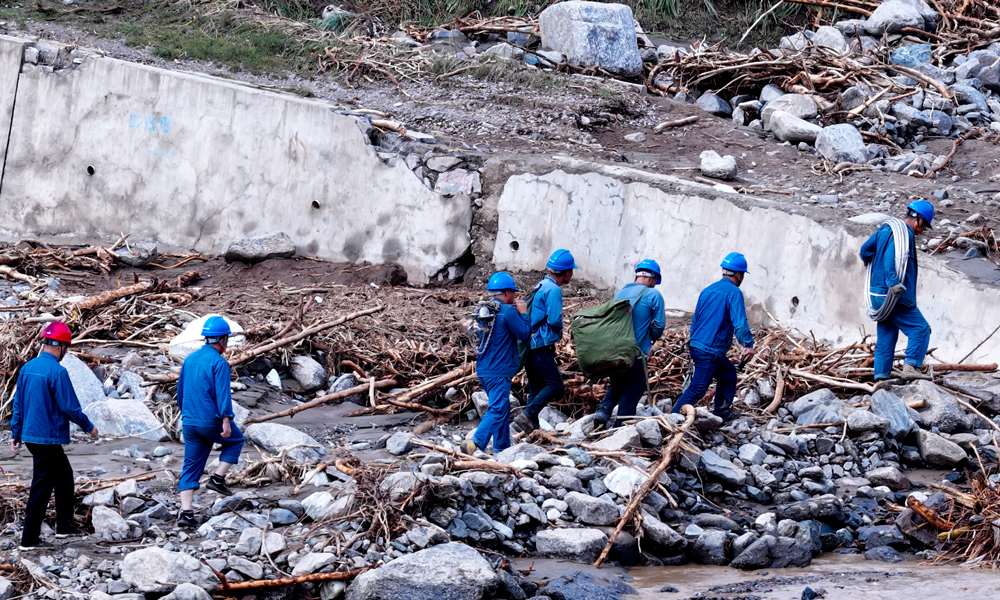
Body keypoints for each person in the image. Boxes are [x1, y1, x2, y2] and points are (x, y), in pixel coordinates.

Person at [10, 321, 99, 550]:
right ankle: (28, 540)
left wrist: (16, 432)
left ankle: (64, 527)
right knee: (41, 486)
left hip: (32, 436)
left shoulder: (28, 368)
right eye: (66, 347)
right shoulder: (58, 372)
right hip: (46, 437)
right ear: (61, 346)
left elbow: (18, 403)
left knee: (64, 476)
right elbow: (69, 407)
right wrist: (89, 426)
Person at [175, 316, 245, 529]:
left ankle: (186, 513)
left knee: (191, 465)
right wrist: (226, 419)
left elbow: (180, 391)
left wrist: (185, 414)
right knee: (236, 440)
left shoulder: (190, 359)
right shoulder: (219, 362)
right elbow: (223, 394)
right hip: (210, 420)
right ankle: (217, 478)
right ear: (222, 340)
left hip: (189, 421)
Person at [671, 253, 755, 421]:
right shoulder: (734, 292)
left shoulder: (708, 290)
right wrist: (748, 344)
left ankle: (722, 412)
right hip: (710, 349)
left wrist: (693, 342)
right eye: (742, 274)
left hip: (699, 345)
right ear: (739, 274)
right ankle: (671, 419)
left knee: (728, 373)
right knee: (698, 388)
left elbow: (696, 319)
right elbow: (739, 322)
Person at [860, 200, 934, 384]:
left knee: (887, 332)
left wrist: (867, 261)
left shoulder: (885, 229)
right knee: (920, 328)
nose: (923, 231)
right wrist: (893, 281)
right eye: (924, 226)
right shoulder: (904, 233)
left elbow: (864, 250)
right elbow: (891, 256)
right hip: (893, 295)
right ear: (920, 220)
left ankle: (881, 378)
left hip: (876, 295)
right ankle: (911, 367)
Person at [461, 272, 530, 455]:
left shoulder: (485, 312)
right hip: (499, 371)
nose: (514, 297)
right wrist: (523, 313)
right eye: (513, 293)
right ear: (507, 292)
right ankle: (475, 443)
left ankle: (501, 447)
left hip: (484, 370)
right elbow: (524, 334)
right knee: (498, 409)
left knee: (502, 408)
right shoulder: (507, 311)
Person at [592, 260, 666, 429]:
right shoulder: (652, 295)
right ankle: (620, 426)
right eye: (655, 281)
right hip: (637, 353)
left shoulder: (620, 293)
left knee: (616, 384)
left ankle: (603, 411)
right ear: (652, 278)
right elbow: (659, 325)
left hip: (616, 352)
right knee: (633, 390)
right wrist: (651, 337)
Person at [515, 249, 579, 433]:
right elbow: (553, 320)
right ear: (567, 272)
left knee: (536, 387)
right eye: (571, 271)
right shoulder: (553, 290)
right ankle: (528, 415)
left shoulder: (541, 284)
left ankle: (530, 427)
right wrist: (561, 331)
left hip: (530, 343)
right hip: (541, 345)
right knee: (555, 385)